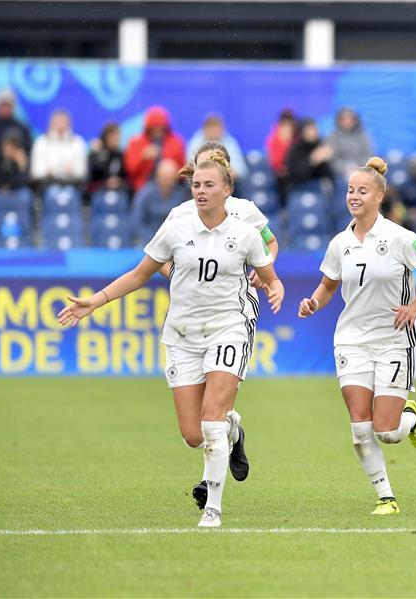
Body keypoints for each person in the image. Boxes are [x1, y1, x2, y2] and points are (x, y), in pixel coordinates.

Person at [58, 152, 285, 528]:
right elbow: (138, 274)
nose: (200, 191)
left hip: (228, 327)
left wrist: (274, 287)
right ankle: (234, 429)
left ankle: (213, 507)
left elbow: (269, 271)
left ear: (226, 189)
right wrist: (95, 302)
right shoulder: (177, 225)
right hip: (182, 334)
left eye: (209, 185)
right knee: (194, 435)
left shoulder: (245, 230)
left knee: (211, 422)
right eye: (196, 184)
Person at [298, 157, 416, 515]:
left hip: (393, 341)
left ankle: (409, 418)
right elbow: (327, 285)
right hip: (351, 340)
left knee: (387, 431)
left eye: (362, 191)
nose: (354, 196)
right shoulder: (339, 243)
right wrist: (314, 303)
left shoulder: (401, 238)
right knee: (360, 427)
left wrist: (414, 308)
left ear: (379, 196)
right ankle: (386, 497)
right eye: (350, 190)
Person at [164, 142, 280, 508]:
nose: (204, 182)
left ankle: (208, 488)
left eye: (216, 168)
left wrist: (265, 273)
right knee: (196, 431)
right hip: (192, 316)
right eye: (201, 171)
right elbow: (161, 259)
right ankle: (233, 430)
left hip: (236, 307)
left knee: (215, 405)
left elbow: (270, 243)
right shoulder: (181, 214)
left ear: (227, 176)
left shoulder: (245, 212)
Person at [124, 105, 186, 192]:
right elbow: (130, 170)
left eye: (161, 128)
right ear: (148, 128)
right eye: (154, 128)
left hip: (172, 187)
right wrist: (143, 157)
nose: (158, 131)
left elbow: (183, 170)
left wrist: (170, 169)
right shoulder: (136, 142)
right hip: (144, 186)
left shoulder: (176, 142)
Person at [131, 159, 187, 243]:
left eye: (171, 175)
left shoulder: (182, 195)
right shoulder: (145, 194)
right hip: (148, 241)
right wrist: (153, 240)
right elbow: (136, 221)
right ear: (158, 176)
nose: (169, 179)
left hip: (175, 241)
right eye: (165, 176)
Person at [29, 109, 87, 187]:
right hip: (47, 185)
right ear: (51, 123)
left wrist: (71, 171)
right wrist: (47, 171)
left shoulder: (78, 142)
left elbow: (81, 172)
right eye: (58, 122)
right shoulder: (41, 142)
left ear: (69, 124)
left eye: (63, 122)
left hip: (72, 185)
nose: (60, 125)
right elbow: (36, 172)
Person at [187, 113, 248, 180]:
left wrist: (218, 178)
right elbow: (191, 168)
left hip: (227, 181)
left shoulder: (230, 142)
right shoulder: (196, 141)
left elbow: (239, 170)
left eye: (216, 127)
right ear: (204, 129)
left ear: (222, 129)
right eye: (210, 127)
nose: (213, 131)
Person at [285, 118, 333, 194]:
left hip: (320, 189)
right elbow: (294, 174)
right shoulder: (295, 149)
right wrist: (312, 161)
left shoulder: (322, 145)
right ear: (303, 132)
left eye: (314, 128)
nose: (313, 132)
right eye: (309, 129)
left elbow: (328, 174)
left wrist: (330, 160)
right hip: (300, 189)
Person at [326, 107, 373, 179]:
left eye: (350, 119)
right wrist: (346, 167)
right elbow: (332, 160)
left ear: (355, 120)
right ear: (338, 121)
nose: (347, 122)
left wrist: (359, 167)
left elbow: (369, 154)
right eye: (343, 119)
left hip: (362, 171)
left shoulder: (363, 135)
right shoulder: (333, 137)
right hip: (341, 175)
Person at [0, 89, 32, 157]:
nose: (5, 109)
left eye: (8, 105)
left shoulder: (22, 128)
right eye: (3, 105)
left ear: (13, 106)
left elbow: (28, 153)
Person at [87, 122, 127, 194]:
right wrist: (95, 153)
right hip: (99, 189)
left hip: (118, 189)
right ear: (105, 137)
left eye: (117, 135)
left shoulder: (120, 154)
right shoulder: (98, 153)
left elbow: (125, 175)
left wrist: (118, 181)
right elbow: (93, 174)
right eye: (112, 136)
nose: (115, 139)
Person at [265, 109, 297, 198]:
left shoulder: (297, 138)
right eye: (285, 124)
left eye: (289, 124)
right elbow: (276, 162)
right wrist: (284, 143)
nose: (287, 127)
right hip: (281, 177)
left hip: (296, 174)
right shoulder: (274, 139)